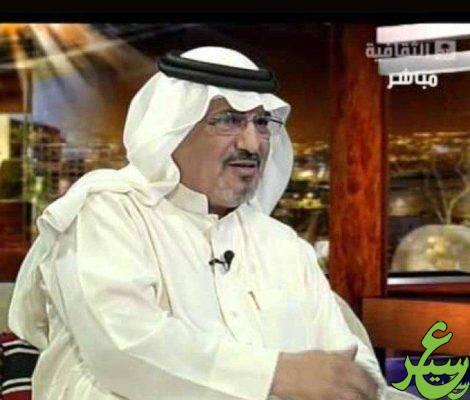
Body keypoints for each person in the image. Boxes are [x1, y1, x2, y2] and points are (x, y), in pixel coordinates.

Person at [8, 46, 416, 400]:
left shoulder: (282, 244)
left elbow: (348, 365)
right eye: (228, 120)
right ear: (173, 130)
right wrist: (277, 375)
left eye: (261, 123)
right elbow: (121, 351)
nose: (252, 143)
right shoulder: (108, 212)